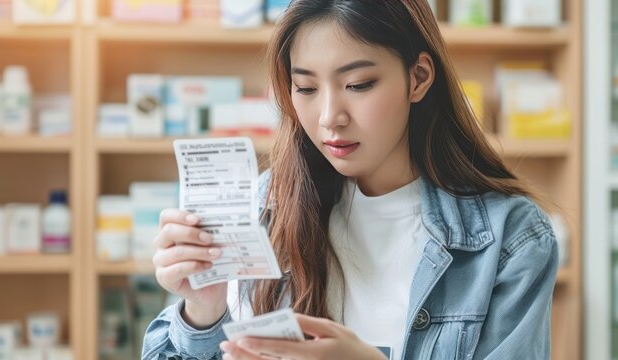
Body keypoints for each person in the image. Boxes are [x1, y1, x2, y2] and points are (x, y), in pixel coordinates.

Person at [142, 0, 559, 359]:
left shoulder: (510, 239)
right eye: (305, 88)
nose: (329, 118)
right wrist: (203, 311)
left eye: (358, 85)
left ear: (419, 78)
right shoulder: (266, 205)